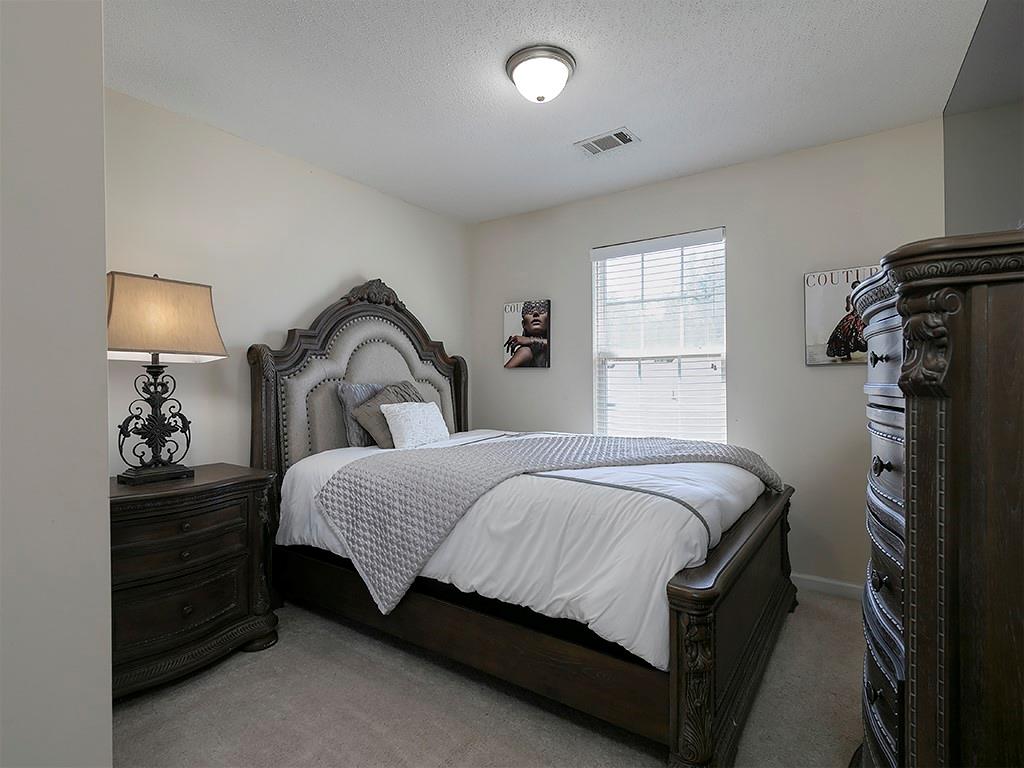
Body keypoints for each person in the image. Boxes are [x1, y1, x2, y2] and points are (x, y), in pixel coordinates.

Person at [826, 281, 867, 360]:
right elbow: (847, 309)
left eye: (858, 286)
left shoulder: (863, 294)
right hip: (854, 314)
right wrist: (848, 303)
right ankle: (848, 355)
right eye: (855, 287)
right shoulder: (849, 297)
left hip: (862, 315)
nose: (857, 288)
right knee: (844, 330)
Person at [504, 299, 550, 368]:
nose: (535, 314)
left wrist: (530, 340)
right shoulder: (525, 352)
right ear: (523, 324)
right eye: (529, 311)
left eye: (542, 309)